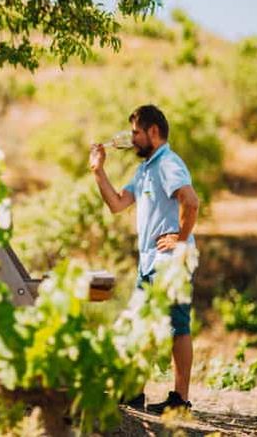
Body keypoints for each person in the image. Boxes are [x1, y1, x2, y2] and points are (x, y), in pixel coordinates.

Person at [89, 104, 200, 414]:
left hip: (171, 262)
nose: (132, 138)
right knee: (138, 323)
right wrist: (98, 171)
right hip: (149, 263)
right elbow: (116, 203)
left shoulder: (168, 164)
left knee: (178, 327)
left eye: (136, 132)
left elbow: (191, 202)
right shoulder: (145, 169)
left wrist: (179, 237)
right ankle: (134, 392)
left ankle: (180, 400)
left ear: (154, 131)